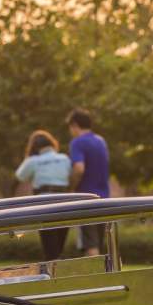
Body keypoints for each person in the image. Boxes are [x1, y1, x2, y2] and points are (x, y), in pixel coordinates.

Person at [15, 128, 71, 261]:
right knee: (60, 244)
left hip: (44, 202)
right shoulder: (65, 158)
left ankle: (52, 273)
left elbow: (20, 176)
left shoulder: (34, 161)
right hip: (65, 202)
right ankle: (61, 270)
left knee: (49, 245)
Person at [66, 108, 110, 256]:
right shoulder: (101, 141)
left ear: (74, 125)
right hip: (104, 197)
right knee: (98, 241)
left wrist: (71, 187)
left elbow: (79, 169)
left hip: (86, 198)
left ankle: (97, 277)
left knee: (90, 243)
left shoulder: (77, 143)